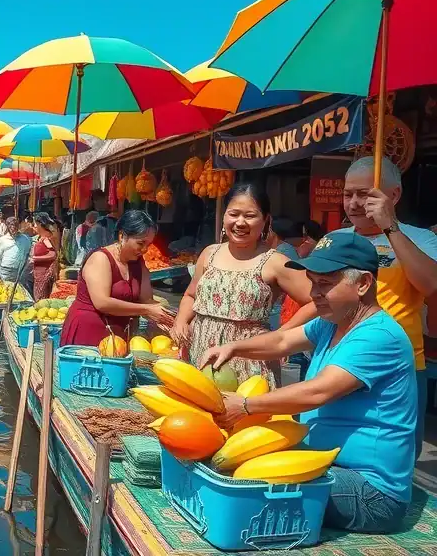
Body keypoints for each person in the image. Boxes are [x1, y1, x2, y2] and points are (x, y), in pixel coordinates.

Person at [201, 231, 416, 534]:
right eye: (313, 282)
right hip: (329, 466)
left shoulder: (378, 336)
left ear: (364, 284)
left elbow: (318, 392)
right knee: (238, 467)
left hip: (371, 491)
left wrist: (246, 405)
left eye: (325, 284)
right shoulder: (332, 322)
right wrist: (234, 347)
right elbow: (283, 340)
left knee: (246, 484)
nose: (314, 293)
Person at [336, 155, 437, 457]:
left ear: (393, 195)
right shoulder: (334, 240)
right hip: (342, 363)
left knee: (397, 453)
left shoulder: (421, 239)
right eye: (347, 193)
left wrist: (390, 228)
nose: (353, 203)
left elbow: (431, 285)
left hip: (400, 366)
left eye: (364, 194)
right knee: (337, 447)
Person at [171, 183, 316, 388]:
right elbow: (191, 296)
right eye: (234, 214)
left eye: (250, 216)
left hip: (251, 364)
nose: (240, 222)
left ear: (266, 220)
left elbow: (317, 298)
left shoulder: (275, 262)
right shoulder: (209, 254)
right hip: (200, 355)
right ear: (224, 217)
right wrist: (181, 321)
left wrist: (282, 334)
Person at [62, 211, 174, 346]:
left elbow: (146, 299)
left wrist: (172, 319)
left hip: (118, 337)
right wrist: (145, 310)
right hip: (88, 333)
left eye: (148, 245)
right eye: (140, 243)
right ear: (122, 236)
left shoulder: (138, 263)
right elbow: (102, 302)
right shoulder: (100, 258)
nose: (145, 249)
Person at [0, 216, 33, 288]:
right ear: (7, 227)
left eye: (15, 226)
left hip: (20, 272)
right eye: (11, 226)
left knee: (18, 292)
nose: (13, 229)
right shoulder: (3, 240)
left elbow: (28, 254)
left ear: (18, 226)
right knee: (4, 291)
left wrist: (24, 270)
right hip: (5, 271)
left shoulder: (25, 239)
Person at [31, 213, 60, 300]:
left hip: (44, 273)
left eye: (35, 223)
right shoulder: (45, 236)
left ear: (40, 224)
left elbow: (52, 254)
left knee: (40, 297)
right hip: (40, 271)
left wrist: (35, 258)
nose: (34, 226)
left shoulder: (46, 238)